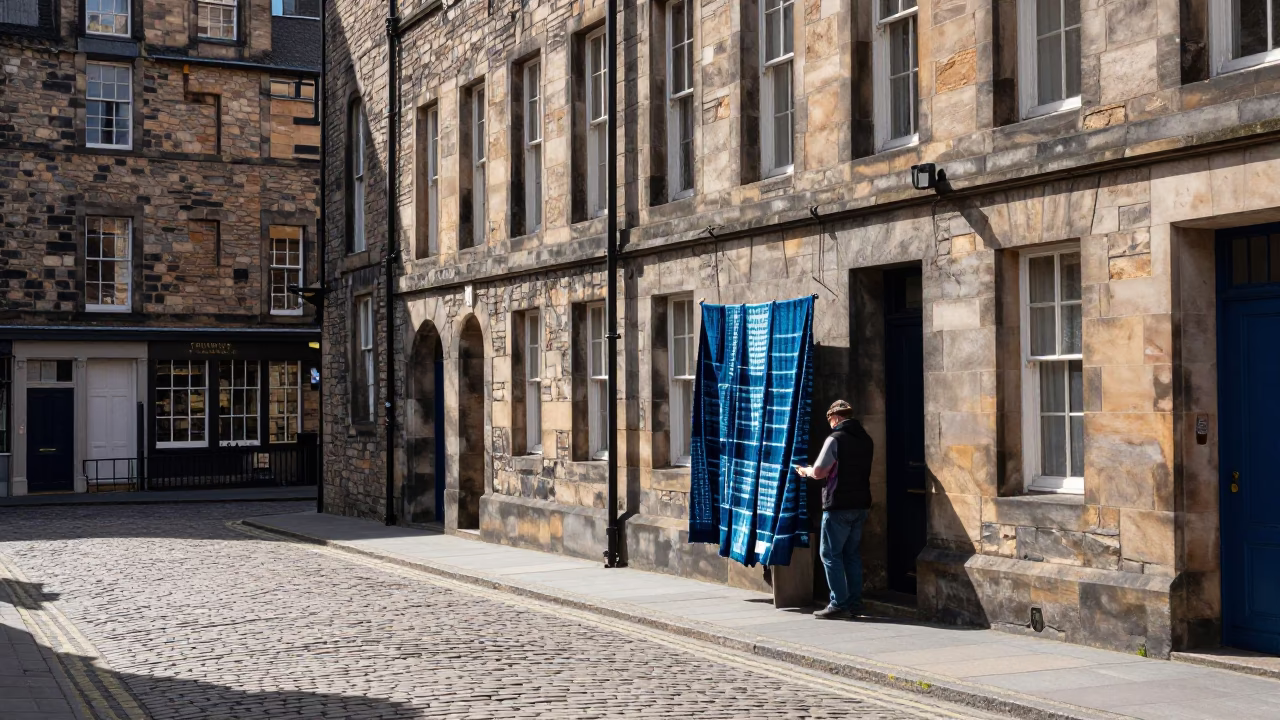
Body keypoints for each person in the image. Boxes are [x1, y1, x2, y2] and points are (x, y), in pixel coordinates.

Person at [794, 399, 874, 620]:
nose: (829, 423)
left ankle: (838, 604)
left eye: (829, 419)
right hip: (861, 504)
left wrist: (806, 471)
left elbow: (819, 471)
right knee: (851, 554)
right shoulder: (866, 439)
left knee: (830, 554)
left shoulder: (835, 439)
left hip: (838, 505)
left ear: (836, 418)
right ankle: (855, 603)